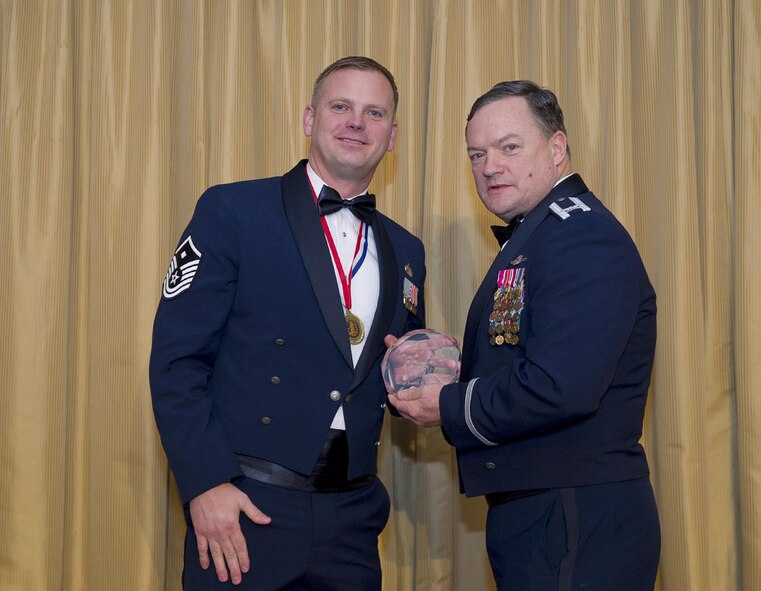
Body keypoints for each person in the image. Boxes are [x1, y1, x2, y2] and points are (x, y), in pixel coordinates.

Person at [149, 56, 425, 590]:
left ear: (391, 137)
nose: (355, 122)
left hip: (353, 516)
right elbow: (177, 361)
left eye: (374, 113)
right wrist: (206, 485)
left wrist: (431, 385)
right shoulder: (232, 211)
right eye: (340, 106)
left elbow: (392, 373)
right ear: (308, 118)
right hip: (245, 509)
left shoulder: (406, 249)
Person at [389, 80, 660, 590]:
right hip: (548, 510)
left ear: (556, 148)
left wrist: (446, 404)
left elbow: (561, 385)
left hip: (574, 513)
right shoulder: (545, 232)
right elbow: (523, 354)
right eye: (477, 154)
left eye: (509, 147)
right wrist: (431, 369)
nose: (489, 166)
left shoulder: (580, 235)